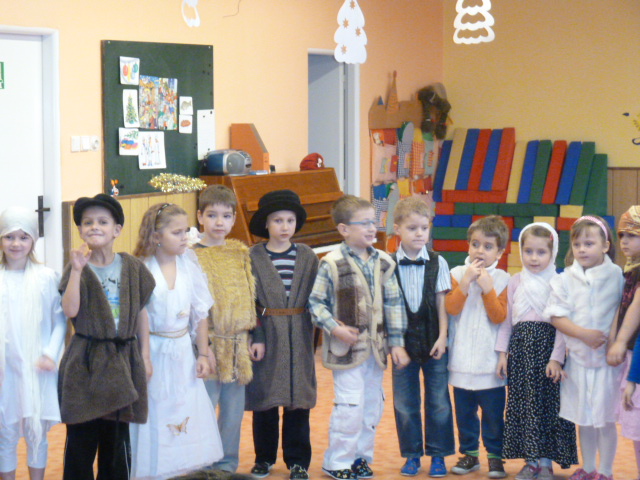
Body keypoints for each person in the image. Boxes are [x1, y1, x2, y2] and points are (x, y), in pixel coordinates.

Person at [309, 194, 410, 480]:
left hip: (376, 351)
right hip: (347, 351)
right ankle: (337, 462)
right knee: (350, 406)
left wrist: (397, 343)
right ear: (344, 229)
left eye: (373, 222)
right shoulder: (332, 263)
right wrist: (334, 328)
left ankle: (360, 458)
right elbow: (315, 304)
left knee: (371, 407)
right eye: (363, 223)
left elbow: (394, 304)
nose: (371, 228)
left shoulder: (384, 262)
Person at [58, 193, 156, 480]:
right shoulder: (76, 267)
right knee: (81, 439)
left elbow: (141, 312)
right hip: (85, 362)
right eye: (87, 222)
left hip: (123, 360)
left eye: (103, 221)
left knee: (116, 442)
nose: (94, 227)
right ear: (80, 230)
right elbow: (70, 310)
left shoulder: (132, 267)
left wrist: (145, 356)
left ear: (117, 229)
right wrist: (77, 271)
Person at [130, 203, 223, 479]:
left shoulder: (188, 263)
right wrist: (145, 357)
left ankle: (182, 468)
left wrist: (203, 353)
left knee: (184, 407)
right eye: (177, 232)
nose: (185, 238)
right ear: (156, 236)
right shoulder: (142, 268)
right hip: (154, 350)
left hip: (183, 351)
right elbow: (138, 315)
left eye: (186, 231)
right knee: (157, 410)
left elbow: (200, 312)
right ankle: (154, 470)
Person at [246, 190, 319, 480]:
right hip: (268, 332)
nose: (284, 226)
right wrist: (256, 336)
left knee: (298, 399)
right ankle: (264, 458)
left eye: (289, 220)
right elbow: (249, 301)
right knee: (264, 398)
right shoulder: (253, 257)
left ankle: (298, 461)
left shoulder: (307, 256)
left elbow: (318, 296)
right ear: (266, 223)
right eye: (277, 220)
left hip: (299, 332)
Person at [495, 223, 577, 480]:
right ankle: (530, 462)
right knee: (524, 406)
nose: (533, 257)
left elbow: (563, 324)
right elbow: (506, 321)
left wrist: (556, 358)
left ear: (552, 252)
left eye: (541, 252)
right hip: (520, 353)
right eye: (528, 251)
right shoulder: (515, 281)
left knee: (547, 408)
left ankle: (545, 463)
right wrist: (502, 354)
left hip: (548, 353)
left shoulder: (559, 282)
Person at [545, 216, 623, 480]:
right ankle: (588, 467)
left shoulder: (618, 276)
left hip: (608, 363)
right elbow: (556, 316)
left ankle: (606, 471)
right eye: (577, 244)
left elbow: (622, 312)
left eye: (589, 244)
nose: (582, 249)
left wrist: (613, 341)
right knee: (584, 418)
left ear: (605, 245)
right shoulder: (565, 279)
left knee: (605, 420)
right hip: (578, 361)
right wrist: (584, 335)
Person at [192, 184, 256, 473]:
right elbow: (192, 305)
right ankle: (200, 462)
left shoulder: (240, 252)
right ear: (200, 217)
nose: (219, 222)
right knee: (204, 406)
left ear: (233, 219)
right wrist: (202, 347)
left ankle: (227, 463)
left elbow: (250, 296)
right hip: (207, 342)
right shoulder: (191, 256)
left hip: (237, 344)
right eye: (212, 215)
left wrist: (252, 335)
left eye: (226, 216)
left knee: (232, 411)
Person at [389, 197, 454, 478]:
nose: (419, 234)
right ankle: (412, 455)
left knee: (439, 401)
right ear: (397, 229)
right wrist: (394, 344)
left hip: (433, 342)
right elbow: (387, 306)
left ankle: (438, 455)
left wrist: (443, 336)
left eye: (424, 228)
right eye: (412, 228)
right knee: (405, 403)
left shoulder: (439, 262)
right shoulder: (388, 264)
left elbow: (442, 303)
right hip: (402, 345)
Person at [0, 207, 66, 480]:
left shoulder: (46, 277)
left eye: (23, 237)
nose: (16, 244)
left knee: (37, 434)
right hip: (5, 371)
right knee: (5, 434)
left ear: (33, 241)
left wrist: (50, 354)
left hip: (38, 368)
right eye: (9, 236)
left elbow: (60, 321)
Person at [445, 215, 510, 479]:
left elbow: (499, 316)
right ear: (468, 245)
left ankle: (495, 457)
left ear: (500, 252)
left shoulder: (504, 280)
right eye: (475, 244)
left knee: (493, 416)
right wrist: (465, 283)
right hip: (461, 362)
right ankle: (469, 455)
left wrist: (487, 289)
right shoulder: (456, 274)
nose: (480, 251)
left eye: (488, 246)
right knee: (465, 415)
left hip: (490, 365)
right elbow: (451, 308)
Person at [607, 206, 640, 480]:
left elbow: (635, 309)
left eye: (632, 235)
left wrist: (619, 341)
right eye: (621, 235)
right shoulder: (629, 271)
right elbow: (619, 310)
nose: (624, 241)